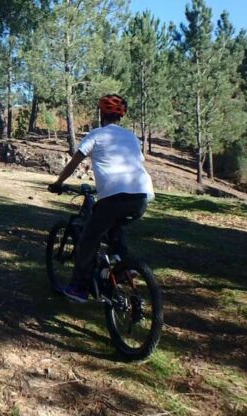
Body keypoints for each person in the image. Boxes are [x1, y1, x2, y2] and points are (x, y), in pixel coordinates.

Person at [48, 94, 155, 303]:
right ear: (121, 117)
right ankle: (122, 265)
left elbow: (74, 162)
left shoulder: (96, 135)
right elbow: (137, 161)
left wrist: (58, 182)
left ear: (101, 114)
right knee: (116, 228)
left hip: (114, 198)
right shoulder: (132, 137)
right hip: (141, 196)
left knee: (89, 239)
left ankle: (79, 287)